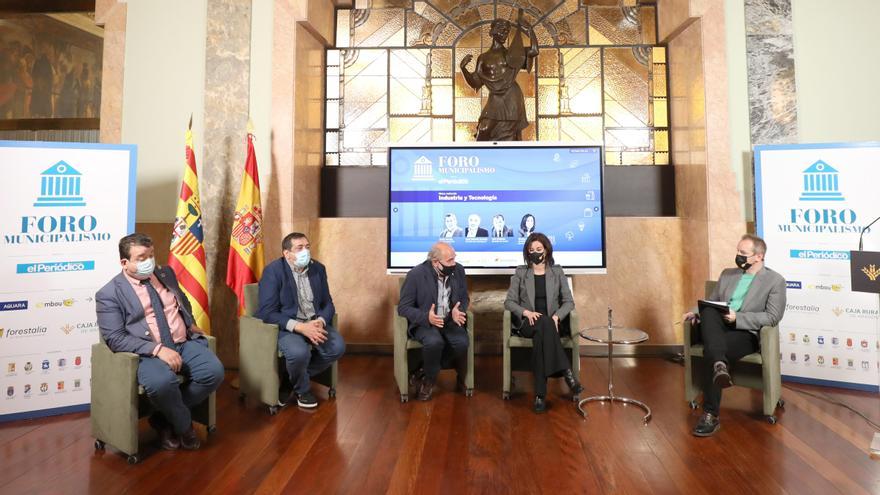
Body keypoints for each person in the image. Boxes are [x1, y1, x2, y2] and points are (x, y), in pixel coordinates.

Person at [96, 233, 224, 451]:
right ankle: (184, 427)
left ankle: (163, 419)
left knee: (214, 372)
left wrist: (189, 322)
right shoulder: (109, 293)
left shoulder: (166, 273)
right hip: (146, 353)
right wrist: (157, 349)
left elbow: (180, 300)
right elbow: (115, 338)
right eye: (141, 257)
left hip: (183, 342)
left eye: (151, 255)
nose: (149, 262)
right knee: (162, 383)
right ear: (124, 263)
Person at [683, 233, 786, 437]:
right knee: (709, 311)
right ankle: (720, 365)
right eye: (737, 251)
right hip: (717, 328)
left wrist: (737, 318)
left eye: (743, 253)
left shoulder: (775, 281)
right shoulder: (728, 274)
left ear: (759, 256)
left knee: (711, 351)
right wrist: (695, 312)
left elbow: (772, 317)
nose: (738, 256)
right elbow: (711, 303)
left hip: (744, 333)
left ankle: (710, 414)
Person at [256, 232, 346, 409]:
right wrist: (300, 327)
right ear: (286, 253)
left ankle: (291, 382)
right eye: (299, 248)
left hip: (314, 322)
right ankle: (303, 390)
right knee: (299, 353)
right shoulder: (273, 271)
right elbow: (267, 312)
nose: (305, 251)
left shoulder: (318, 269)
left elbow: (328, 303)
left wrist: (320, 321)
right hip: (287, 327)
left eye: (307, 246)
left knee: (337, 348)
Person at [504, 232, 582, 413]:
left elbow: (569, 302)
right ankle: (567, 373)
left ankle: (540, 395)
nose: (535, 253)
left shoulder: (557, 271)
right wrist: (526, 312)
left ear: (546, 251)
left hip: (551, 324)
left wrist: (556, 317)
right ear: (527, 252)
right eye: (531, 250)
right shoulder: (521, 272)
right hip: (528, 323)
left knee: (543, 332)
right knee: (542, 325)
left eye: (539, 249)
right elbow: (509, 302)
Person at [398, 242, 470, 401]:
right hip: (426, 323)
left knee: (462, 343)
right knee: (434, 342)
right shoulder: (416, 274)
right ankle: (429, 382)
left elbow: (464, 298)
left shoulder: (458, 270)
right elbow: (403, 308)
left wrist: (460, 310)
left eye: (454, 258)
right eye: (450, 260)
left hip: (449, 321)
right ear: (436, 262)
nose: (454, 263)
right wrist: (426, 317)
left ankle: (424, 371)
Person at [459, 9, 538, 141]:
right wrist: (463, 68)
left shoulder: (512, 54)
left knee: (508, 134)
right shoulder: (483, 58)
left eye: (506, 31)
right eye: (500, 29)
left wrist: (529, 29)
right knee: (483, 129)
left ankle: (505, 159)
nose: (504, 33)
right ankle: (485, 158)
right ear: (492, 31)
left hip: (511, 96)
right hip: (495, 98)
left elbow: (534, 50)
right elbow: (475, 82)